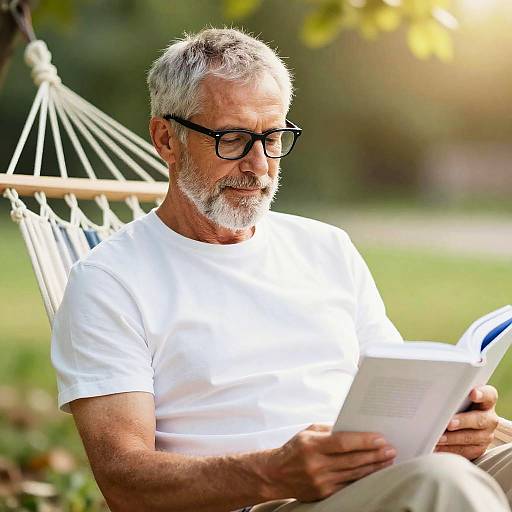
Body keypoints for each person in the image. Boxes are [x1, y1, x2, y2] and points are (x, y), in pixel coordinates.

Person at [51, 28, 512, 512]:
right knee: (442, 485)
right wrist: (273, 471)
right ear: (167, 139)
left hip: (381, 481)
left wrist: (458, 425)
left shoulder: (326, 248)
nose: (259, 165)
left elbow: (401, 399)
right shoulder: (110, 281)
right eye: (233, 138)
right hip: (263, 501)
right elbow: (125, 481)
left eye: (272, 137)